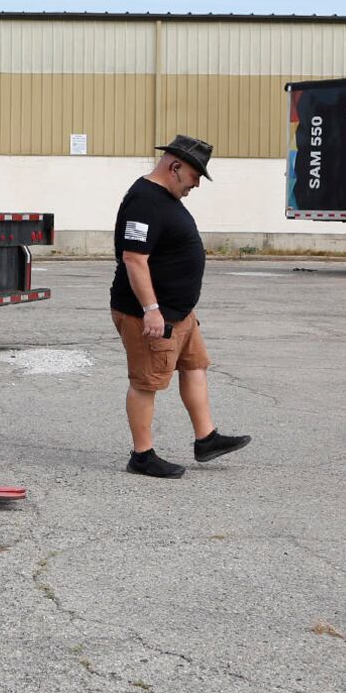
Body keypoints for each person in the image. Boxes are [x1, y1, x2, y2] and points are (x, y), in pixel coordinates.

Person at [110, 134, 253, 479]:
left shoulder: (164, 197)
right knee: (147, 381)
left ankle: (206, 438)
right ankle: (141, 455)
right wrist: (151, 309)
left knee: (195, 366)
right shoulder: (145, 200)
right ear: (175, 167)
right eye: (195, 176)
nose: (197, 185)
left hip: (179, 313)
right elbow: (133, 258)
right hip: (150, 314)